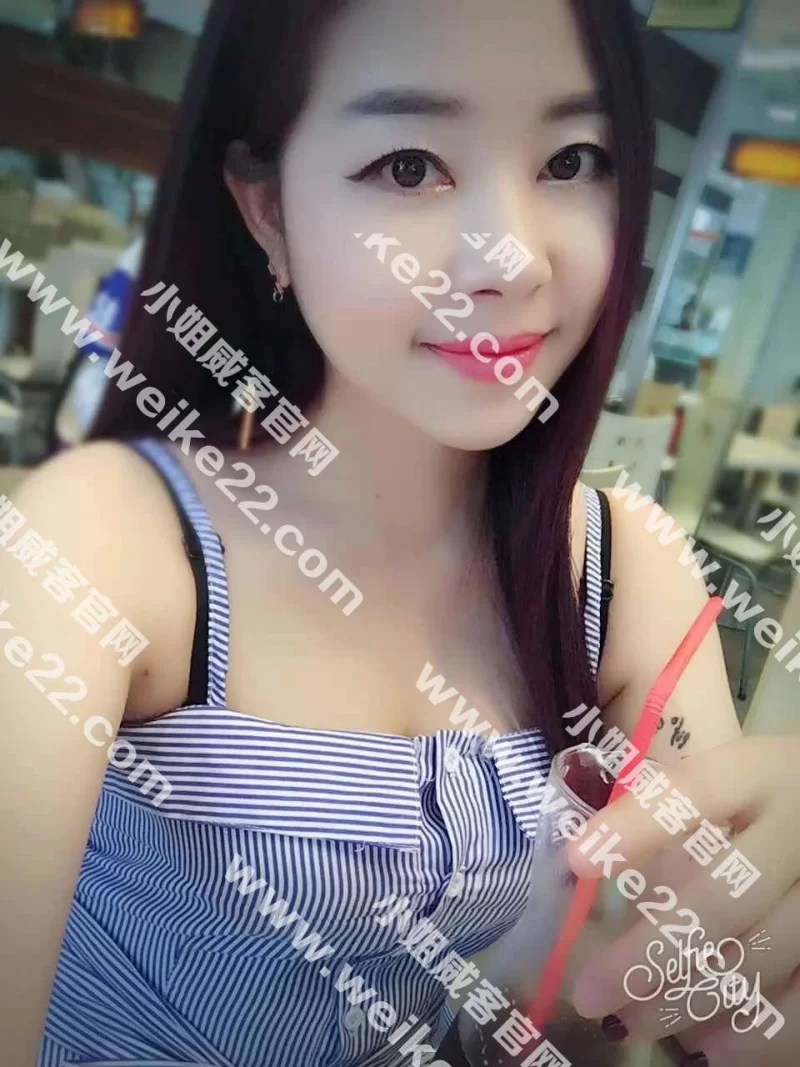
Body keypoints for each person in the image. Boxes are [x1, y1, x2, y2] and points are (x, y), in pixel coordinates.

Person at [2, 1, 798, 1066]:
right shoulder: (109, 534)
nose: (511, 260)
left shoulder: (625, 568)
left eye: (571, 159)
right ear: (267, 210)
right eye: (409, 165)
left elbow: (709, 1004)